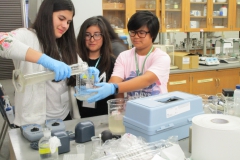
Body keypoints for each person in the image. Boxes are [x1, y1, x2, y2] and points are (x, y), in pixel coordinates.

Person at [0, 0, 98, 126]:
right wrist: (44, 59)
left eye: (68, 22)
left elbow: (80, 71)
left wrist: (87, 76)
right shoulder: (27, 36)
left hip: (63, 117)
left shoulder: (65, 45)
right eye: (61, 18)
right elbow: (2, 41)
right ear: (47, 14)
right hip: (33, 122)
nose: (65, 25)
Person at [86, 11, 171, 103]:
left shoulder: (161, 57)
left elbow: (147, 80)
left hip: (156, 110)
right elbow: (115, 81)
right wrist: (98, 87)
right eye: (133, 32)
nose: (136, 37)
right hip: (132, 111)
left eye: (141, 33)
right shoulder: (124, 56)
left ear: (153, 34)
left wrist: (113, 87)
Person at [76, 16, 116, 118]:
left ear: (104, 37)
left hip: (104, 116)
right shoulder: (76, 60)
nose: (92, 39)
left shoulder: (111, 61)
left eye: (97, 35)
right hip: (78, 115)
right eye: (87, 35)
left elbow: (117, 90)